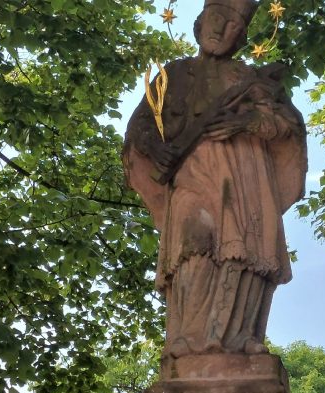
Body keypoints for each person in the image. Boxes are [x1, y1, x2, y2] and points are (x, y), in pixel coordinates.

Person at [123, 0, 306, 358]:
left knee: (245, 251)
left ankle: (239, 338)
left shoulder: (251, 80)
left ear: (242, 37)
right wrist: (155, 149)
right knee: (194, 243)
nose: (221, 30)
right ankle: (186, 340)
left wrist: (247, 123)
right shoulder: (172, 76)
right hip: (192, 174)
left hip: (245, 176)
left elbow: (288, 125)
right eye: (217, 19)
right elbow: (139, 127)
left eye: (233, 26)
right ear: (200, 21)